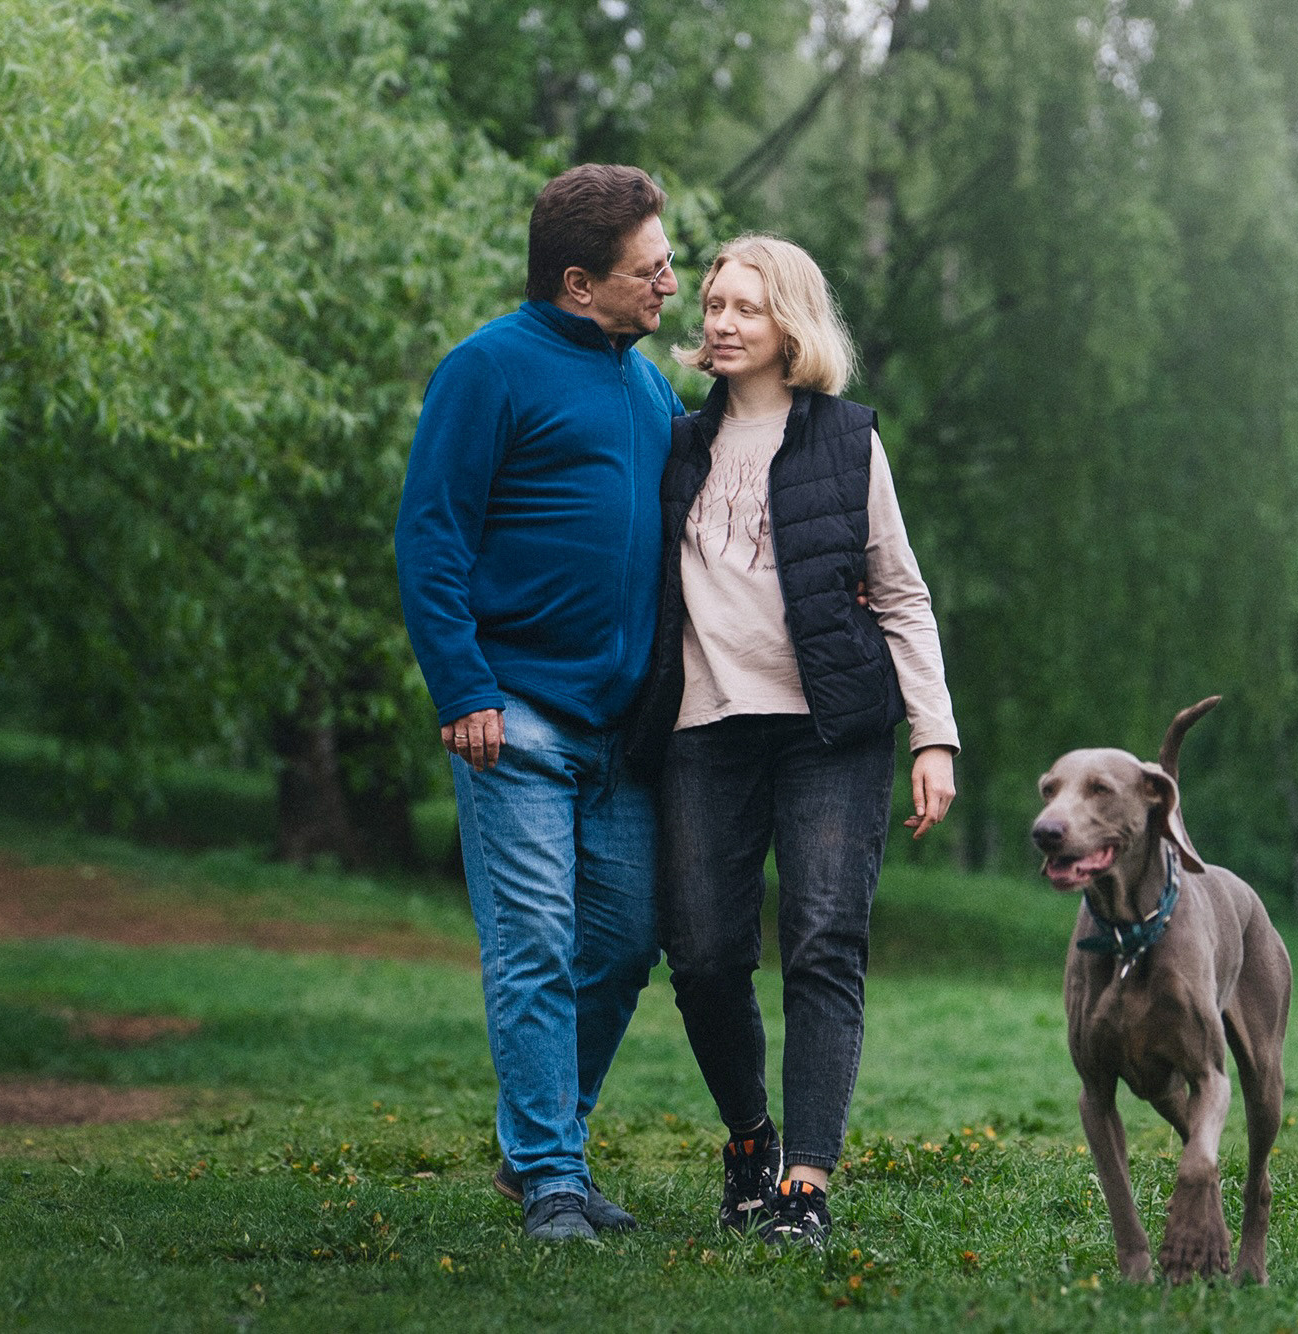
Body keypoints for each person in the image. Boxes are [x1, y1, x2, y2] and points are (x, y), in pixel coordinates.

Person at [630, 233, 958, 1248]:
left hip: (829, 732)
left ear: (790, 326)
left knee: (822, 942)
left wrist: (931, 735)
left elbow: (899, 595)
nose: (719, 323)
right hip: (701, 729)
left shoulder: (848, 441)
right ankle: (748, 1140)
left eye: (744, 308)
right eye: (713, 305)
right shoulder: (675, 443)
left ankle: (804, 1183)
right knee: (702, 953)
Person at [393, 164, 681, 1243]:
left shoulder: (647, 385)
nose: (668, 281)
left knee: (626, 938)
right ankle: (554, 1172)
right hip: (514, 717)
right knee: (535, 943)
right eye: (648, 267)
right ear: (577, 281)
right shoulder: (487, 369)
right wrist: (463, 684)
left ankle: (541, 1146)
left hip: (621, 731)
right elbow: (430, 533)